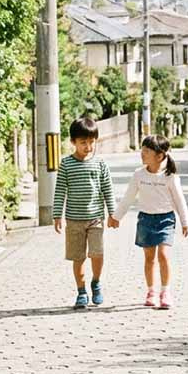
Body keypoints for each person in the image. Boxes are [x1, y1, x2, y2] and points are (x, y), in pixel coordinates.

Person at [113, 135, 188, 310]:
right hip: (145, 220)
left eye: (147, 151)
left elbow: (180, 201)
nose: (142, 153)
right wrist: (116, 217)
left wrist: (185, 222)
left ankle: (165, 292)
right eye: (142, 149)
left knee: (163, 256)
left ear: (160, 155)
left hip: (165, 220)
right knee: (149, 258)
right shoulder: (138, 175)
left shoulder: (170, 177)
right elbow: (128, 198)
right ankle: (151, 292)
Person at [53, 116, 119, 309]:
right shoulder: (66, 164)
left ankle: (96, 282)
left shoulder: (100, 164)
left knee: (97, 253)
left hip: (96, 218)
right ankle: (81, 291)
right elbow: (59, 191)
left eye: (92, 142)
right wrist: (57, 215)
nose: (88, 146)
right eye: (83, 142)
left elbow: (108, 189)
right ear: (73, 142)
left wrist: (113, 214)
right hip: (73, 220)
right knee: (78, 257)